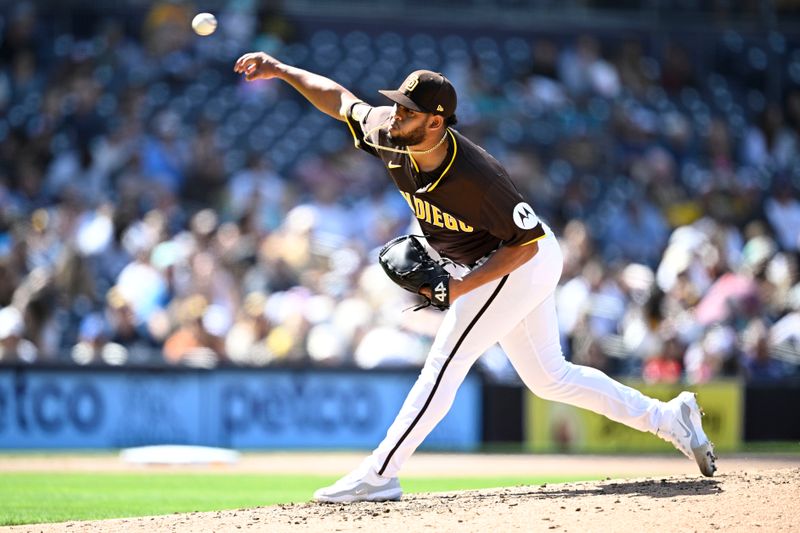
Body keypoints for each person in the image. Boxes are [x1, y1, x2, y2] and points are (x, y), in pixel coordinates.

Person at [233, 52, 717, 503]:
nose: (394, 116)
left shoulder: (477, 177)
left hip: (518, 259)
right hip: (497, 260)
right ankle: (669, 418)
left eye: (406, 112)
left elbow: (524, 244)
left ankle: (380, 473)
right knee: (551, 378)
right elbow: (341, 102)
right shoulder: (390, 134)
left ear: (436, 122)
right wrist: (281, 69)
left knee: (446, 359)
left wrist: (461, 287)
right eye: (397, 107)